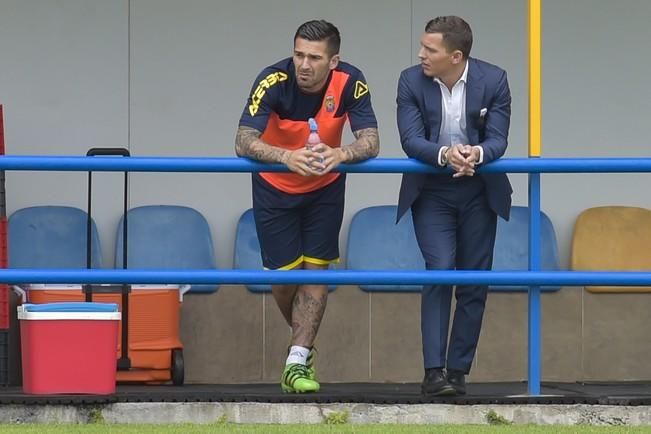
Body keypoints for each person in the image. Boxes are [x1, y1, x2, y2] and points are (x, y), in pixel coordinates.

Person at [235, 19, 379, 393]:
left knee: (316, 275)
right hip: (275, 189)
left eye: (314, 57)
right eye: (299, 54)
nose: (304, 64)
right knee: (285, 281)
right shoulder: (272, 80)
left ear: (334, 61)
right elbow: (242, 141)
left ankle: (297, 359)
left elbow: (371, 141)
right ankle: (302, 344)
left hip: (325, 190)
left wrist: (341, 153)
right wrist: (286, 157)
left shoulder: (351, 81)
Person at [396, 16, 512, 396]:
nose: (421, 55)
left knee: (474, 282)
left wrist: (474, 154)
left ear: (456, 55)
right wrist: (447, 154)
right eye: (422, 47)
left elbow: (498, 140)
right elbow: (411, 140)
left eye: (430, 49)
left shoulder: (494, 80)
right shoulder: (410, 80)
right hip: (432, 190)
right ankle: (434, 372)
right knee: (440, 271)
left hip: (479, 189)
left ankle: (458, 373)